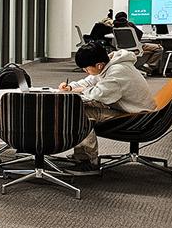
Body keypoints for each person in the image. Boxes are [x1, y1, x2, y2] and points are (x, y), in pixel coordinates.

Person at [58, 42, 155, 172]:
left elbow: (97, 94)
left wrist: (79, 91)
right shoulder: (109, 64)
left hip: (137, 116)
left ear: (99, 65)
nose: (86, 72)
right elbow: (91, 80)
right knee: (81, 109)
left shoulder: (117, 72)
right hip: (129, 108)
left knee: (81, 114)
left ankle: (89, 161)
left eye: (86, 69)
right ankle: (81, 155)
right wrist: (71, 87)